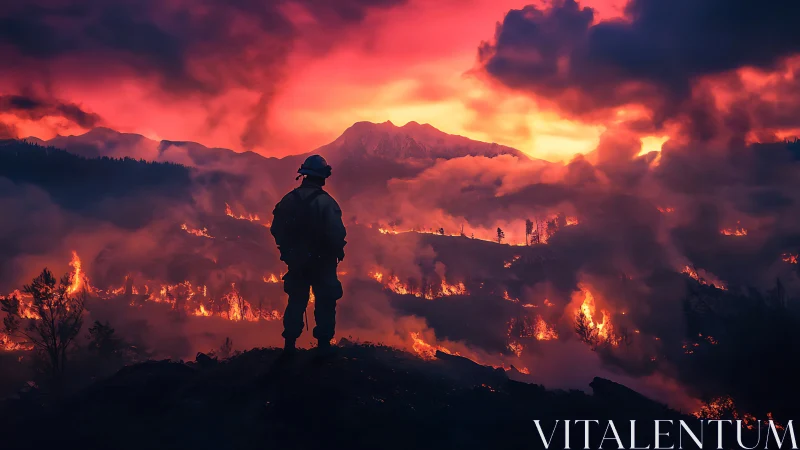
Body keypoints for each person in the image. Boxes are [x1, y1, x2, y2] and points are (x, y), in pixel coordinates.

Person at [270, 155, 346, 357]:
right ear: (322, 177)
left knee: (296, 301)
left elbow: (276, 229)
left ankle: (289, 347)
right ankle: (322, 348)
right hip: (322, 264)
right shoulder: (326, 203)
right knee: (325, 302)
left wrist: (288, 252)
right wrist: (336, 250)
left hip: (296, 263)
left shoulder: (287, 200)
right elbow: (337, 233)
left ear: (303, 175)